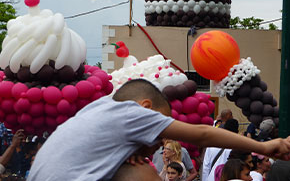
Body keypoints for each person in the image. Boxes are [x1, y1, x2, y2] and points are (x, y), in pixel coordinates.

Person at [27, 79, 290, 181]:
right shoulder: (131, 113)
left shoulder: (96, 110)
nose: (158, 141)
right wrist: (264, 147)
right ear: (145, 107)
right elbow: (202, 133)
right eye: (159, 129)